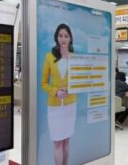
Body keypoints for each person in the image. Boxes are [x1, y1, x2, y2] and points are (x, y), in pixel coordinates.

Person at [42, 24, 77, 165]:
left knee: (67, 140)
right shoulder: (49, 57)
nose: (63, 39)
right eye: (60, 35)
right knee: (57, 142)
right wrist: (55, 91)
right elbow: (43, 83)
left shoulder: (75, 58)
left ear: (70, 38)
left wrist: (71, 89)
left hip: (70, 104)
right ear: (57, 37)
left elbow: (80, 81)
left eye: (66, 36)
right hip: (55, 106)